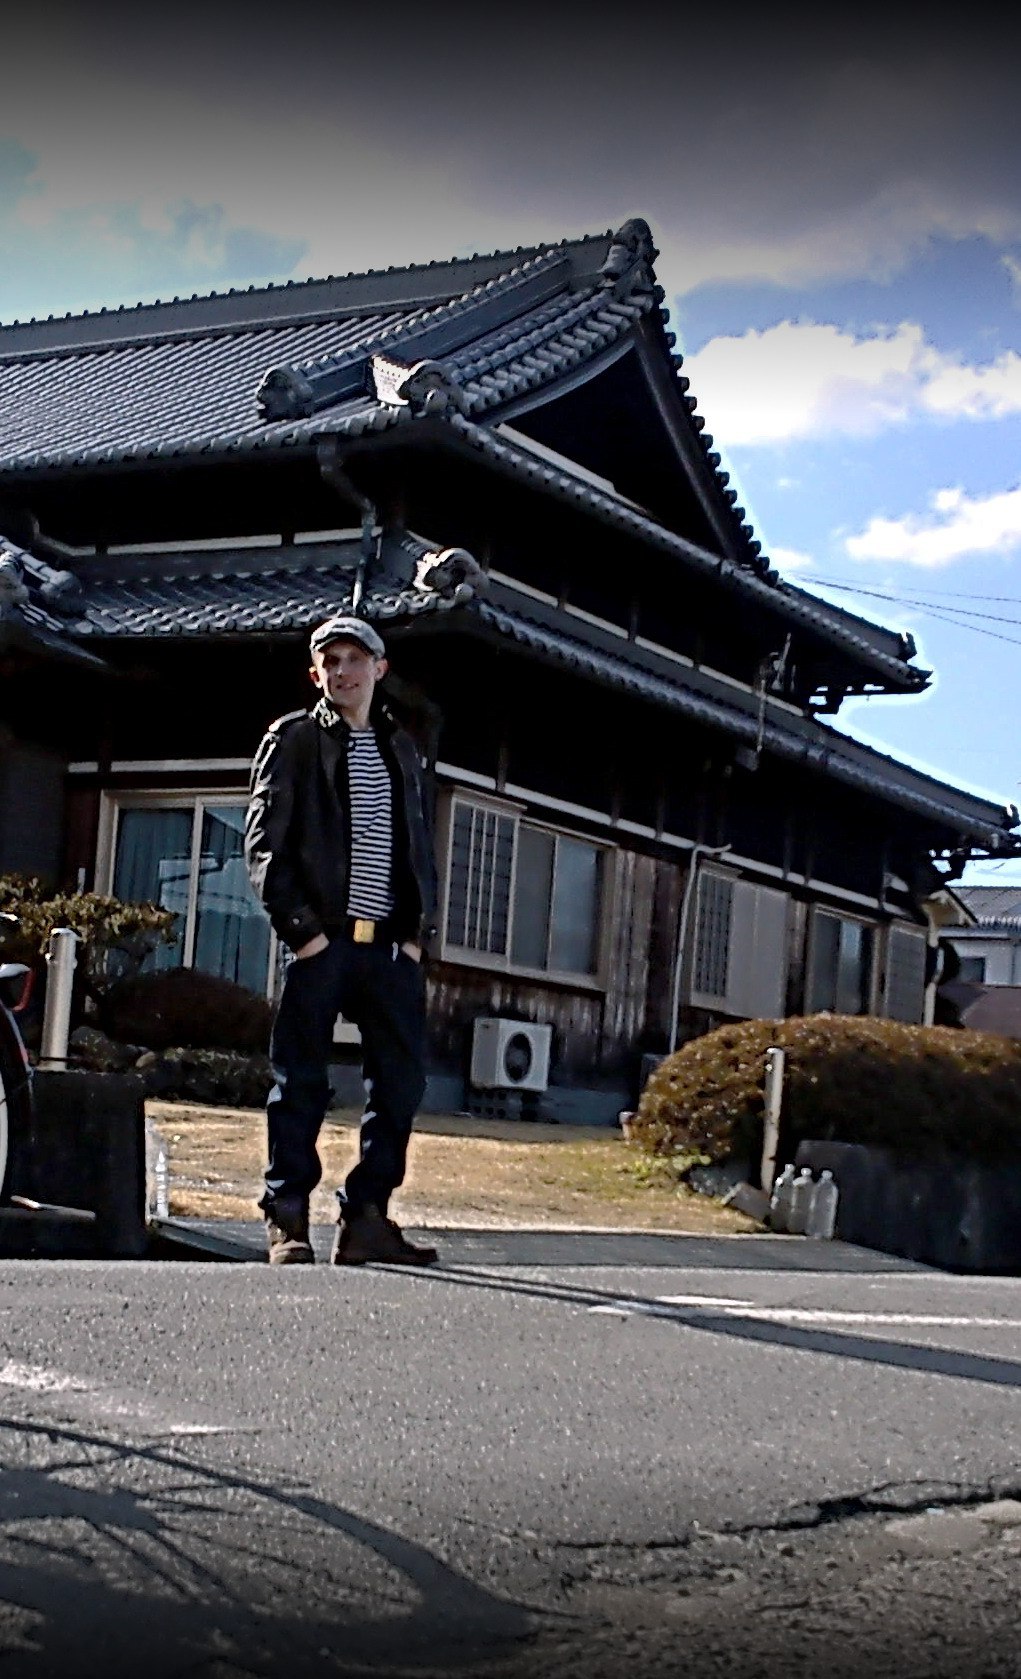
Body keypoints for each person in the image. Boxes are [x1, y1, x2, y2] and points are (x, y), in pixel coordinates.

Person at [245, 614, 439, 1266]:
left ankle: (367, 1218)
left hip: (388, 947)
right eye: (330, 661)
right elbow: (264, 843)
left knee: (400, 1084)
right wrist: (302, 934)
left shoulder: (402, 749)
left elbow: (418, 847)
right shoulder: (295, 739)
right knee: (300, 1081)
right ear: (315, 674)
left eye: (355, 659)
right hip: (321, 942)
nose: (343, 671)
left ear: (379, 669)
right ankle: (287, 1217)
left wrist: (415, 937)